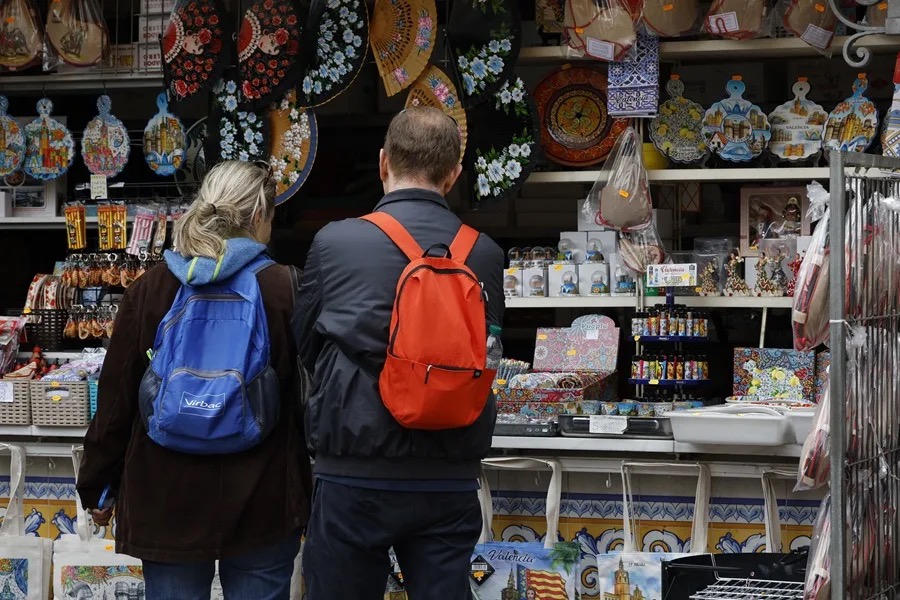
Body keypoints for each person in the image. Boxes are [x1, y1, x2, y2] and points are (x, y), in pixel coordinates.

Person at [294, 107, 505, 599]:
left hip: (354, 470)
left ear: (383, 162)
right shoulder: (485, 252)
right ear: (454, 174)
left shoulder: (335, 242)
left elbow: (305, 343)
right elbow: (487, 355)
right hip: (449, 474)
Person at [77, 161, 311, 600]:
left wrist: (98, 485)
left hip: (166, 498)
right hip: (262, 499)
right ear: (259, 215)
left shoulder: (152, 287)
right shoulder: (284, 288)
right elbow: (307, 402)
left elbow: (116, 401)